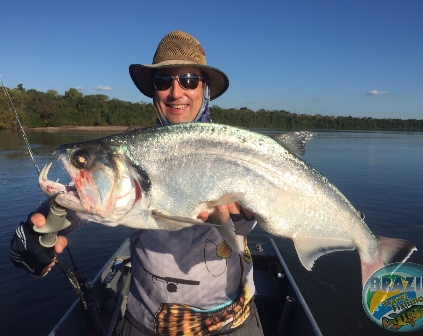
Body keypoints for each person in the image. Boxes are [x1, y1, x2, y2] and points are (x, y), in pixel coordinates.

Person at [11, 30, 264, 336]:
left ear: (204, 88)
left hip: (231, 322)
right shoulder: (130, 153)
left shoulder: (238, 150)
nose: (175, 92)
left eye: (188, 79)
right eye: (162, 82)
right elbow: (89, 197)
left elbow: (264, 213)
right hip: (144, 323)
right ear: (153, 91)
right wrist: (41, 229)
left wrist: (247, 216)